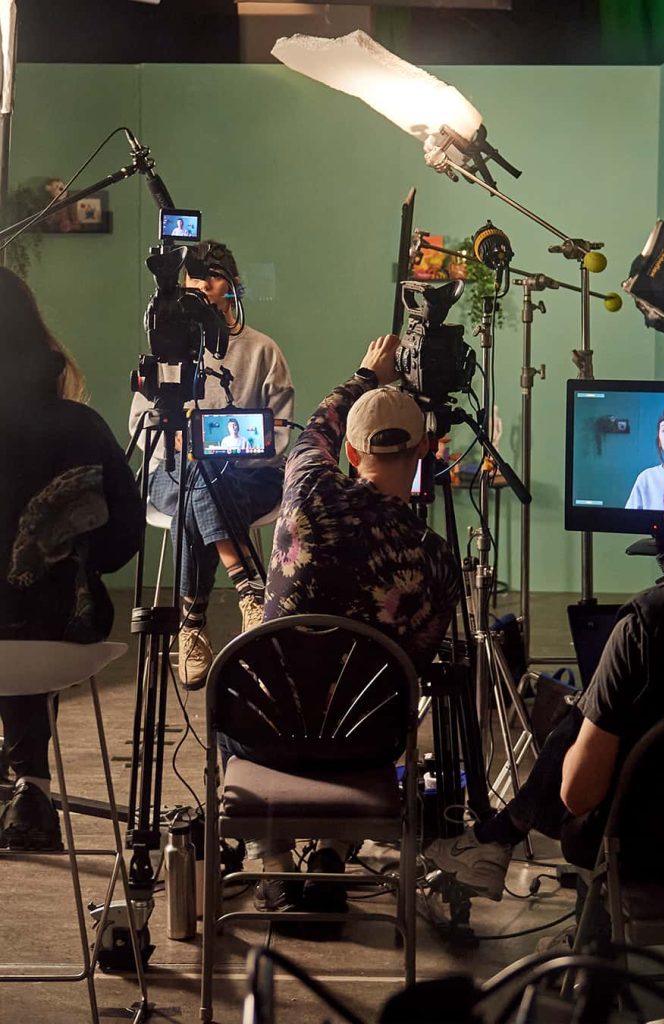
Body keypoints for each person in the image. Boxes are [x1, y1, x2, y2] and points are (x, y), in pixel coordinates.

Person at [427, 447, 664, 900]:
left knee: (588, 722)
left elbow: (577, 796)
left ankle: (584, 945)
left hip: (655, 852)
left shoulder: (649, 620)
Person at [223, 333, 460, 912]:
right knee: (373, 694)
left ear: (352, 455)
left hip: (266, 739)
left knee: (250, 691)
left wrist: (365, 373)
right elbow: (416, 667)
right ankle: (331, 853)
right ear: (425, 452)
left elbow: (314, 429)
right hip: (364, 747)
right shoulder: (434, 559)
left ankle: (274, 865)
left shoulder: (305, 491)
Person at [0, 268, 142, 851]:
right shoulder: (82, 427)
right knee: (37, 602)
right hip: (63, 637)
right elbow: (123, 540)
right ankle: (31, 788)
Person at [129, 240, 294, 690]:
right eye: (194, 276)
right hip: (171, 473)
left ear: (233, 286)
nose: (203, 284)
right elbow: (140, 426)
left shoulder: (263, 351)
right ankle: (247, 584)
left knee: (204, 472)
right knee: (197, 466)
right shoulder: (165, 347)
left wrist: (224, 450)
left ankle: (192, 622)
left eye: (213, 276)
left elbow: (278, 436)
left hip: (251, 478)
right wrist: (185, 443)